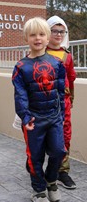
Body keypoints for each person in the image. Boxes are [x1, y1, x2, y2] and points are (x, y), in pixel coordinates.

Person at [12, 17, 66, 202]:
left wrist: (62, 115)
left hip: (54, 117)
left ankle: (51, 180)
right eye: (33, 35)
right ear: (26, 38)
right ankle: (39, 189)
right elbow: (20, 95)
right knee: (35, 157)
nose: (38, 38)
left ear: (48, 36)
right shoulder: (20, 67)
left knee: (59, 151)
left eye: (42, 34)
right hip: (33, 120)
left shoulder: (57, 64)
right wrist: (25, 117)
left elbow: (60, 91)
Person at [47, 15, 76, 189]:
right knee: (43, 137)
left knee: (65, 136)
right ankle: (38, 168)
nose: (58, 35)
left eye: (61, 31)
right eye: (54, 31)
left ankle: (62, 171)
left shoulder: (68, 56)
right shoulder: (39, 52)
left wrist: (71, 98)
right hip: (44, 102)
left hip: (63, 103)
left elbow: (71, 79)